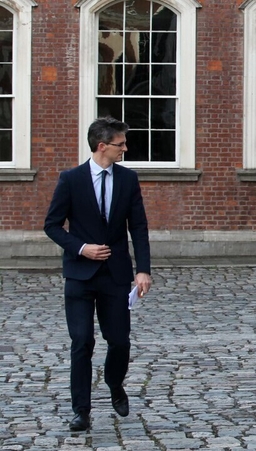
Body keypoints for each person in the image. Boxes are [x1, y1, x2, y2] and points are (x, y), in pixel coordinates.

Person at [44, 117, 152, 431]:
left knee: (119, 341)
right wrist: (81, 248)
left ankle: (114, 383)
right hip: (79, 275)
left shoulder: (128, 180)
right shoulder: (71, 179)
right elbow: (51, 225)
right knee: (82, 342)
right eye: (121, 144)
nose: (125, 149)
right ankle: (82, 411)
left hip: (115, 274)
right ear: (102, 146)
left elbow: (139, 227)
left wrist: (142, 269)